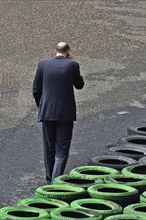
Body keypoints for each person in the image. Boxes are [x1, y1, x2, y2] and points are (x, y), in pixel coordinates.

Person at [33, 42, 84, 184]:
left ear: (55, 52)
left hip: (47, 112)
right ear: (68, 53)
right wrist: (70, 62)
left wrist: (42, 107)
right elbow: (80, 85)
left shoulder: (43, 65)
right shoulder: (72, 65)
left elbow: (36, 89)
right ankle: (55, 183)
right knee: (61, 150)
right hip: (65, 113)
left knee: (48, 149)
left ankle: (49, 180)